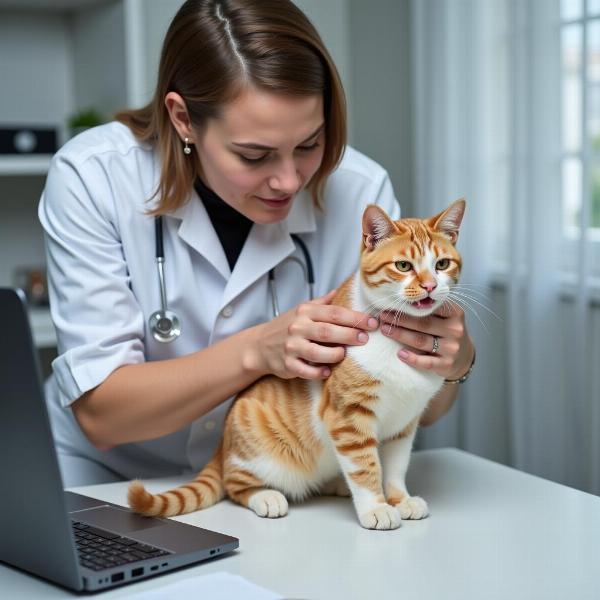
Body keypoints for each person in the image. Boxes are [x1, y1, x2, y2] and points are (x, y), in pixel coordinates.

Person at [39, 0, 475, 487]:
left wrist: (450, 361)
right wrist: (257, 351)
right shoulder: (94, 176)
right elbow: (104, 417)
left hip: (283, 478)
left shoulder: (359, 187)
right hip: (110, 479)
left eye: (309, 144)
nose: (288, 181)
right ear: (183, 118)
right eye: (254, 155)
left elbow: (426, 409)